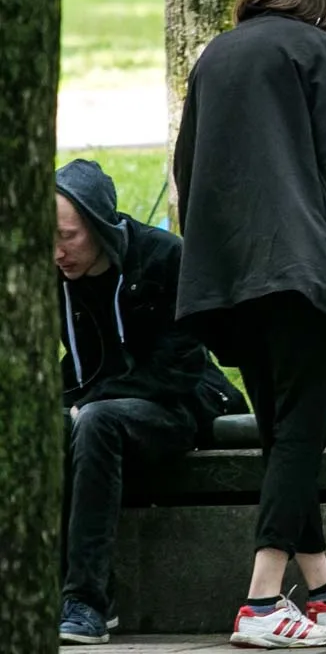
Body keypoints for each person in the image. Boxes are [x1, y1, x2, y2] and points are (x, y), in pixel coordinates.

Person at [174, 0, 326, 649]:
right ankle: (263, 602)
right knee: (301, 432)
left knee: (280, 433)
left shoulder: (214, 56)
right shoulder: (315, 51)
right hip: (299, 270)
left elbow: (187, 165)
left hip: (223, 275)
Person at [56, 159, 241, 645]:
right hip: (104, 408)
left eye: (68, 236)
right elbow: (77, 365)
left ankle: (88, 602)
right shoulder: (54, 276)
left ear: (97, 223)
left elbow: (176, 368)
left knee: (94, 420)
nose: (57, 252)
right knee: (50, 427)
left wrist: (88, 401)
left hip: (178, 402)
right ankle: (54, 591)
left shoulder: (162, 257)